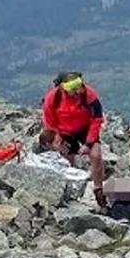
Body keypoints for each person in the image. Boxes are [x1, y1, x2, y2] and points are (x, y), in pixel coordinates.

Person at [41, 72, 107, 206]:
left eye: (80, 87)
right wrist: (57, 138)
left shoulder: (89, 95)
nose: (78, 92)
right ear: (63, 89)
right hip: (64, 130)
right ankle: (71, 190)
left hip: (85, 128)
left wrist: (88, 143)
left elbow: (97, 119)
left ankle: (98, 189)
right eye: (73, 90)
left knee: (96, 155)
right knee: (67, 158)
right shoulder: (52, 98)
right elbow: (49, 122)